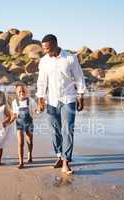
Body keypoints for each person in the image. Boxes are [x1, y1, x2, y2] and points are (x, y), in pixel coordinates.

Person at [36, 34, 86, 175]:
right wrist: (40, 99)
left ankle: (66, 161)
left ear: (55, 44)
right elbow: (41, 81)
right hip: (51, 100)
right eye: (43, 48)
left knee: (67, 130)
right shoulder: (44, 61)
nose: (45, 50)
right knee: (55, 130)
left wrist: (81, 96)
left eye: (47, 47)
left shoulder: (70, 58)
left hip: (68, 99)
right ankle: (59, 155)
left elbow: (79, 77)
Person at [10, 82, 38, 169]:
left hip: (29, 123)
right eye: (19, 91)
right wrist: (8, 122)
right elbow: (14, 114)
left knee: (29, 141)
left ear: (26, 91)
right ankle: (21, 162)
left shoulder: (31, 100)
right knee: (20, 143)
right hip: (19, 124)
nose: (22, 93)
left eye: (23, 91)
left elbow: (36, 110)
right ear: (16, 92)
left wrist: (40, 109)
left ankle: (29, 154)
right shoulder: (14, 102)